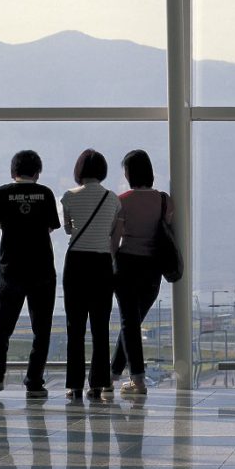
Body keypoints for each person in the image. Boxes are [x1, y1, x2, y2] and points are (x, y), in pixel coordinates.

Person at [0, 149, 59, 398]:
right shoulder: (45, 193)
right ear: (38, 172)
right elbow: (51, 227)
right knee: (42, 329)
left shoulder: (1, 193)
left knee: (1, 327)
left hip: (10, 269)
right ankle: (34, 381)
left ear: (12, 171)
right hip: (42, 269)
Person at [109, 148, 171, 395]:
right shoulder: (164, 200)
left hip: (126, 266)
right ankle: (111, 375)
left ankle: (138, 379)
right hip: (153, 269)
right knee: (132, 323)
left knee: (129, 323)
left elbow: (114, 241)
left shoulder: (122, 202)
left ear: (128, 173)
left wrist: (112, 261)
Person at [59, 149, 118, 401]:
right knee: (100, 326)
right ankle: (98, 384)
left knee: (76, 327)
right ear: (102, 170)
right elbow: (111, 230)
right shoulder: (112, 198)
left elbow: (68, 230)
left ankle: (74, 385)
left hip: (76, 262)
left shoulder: (68, 197)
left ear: (79, 170)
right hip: (102, 262)